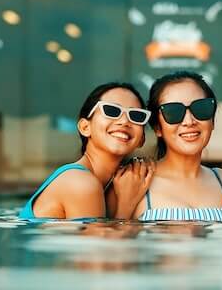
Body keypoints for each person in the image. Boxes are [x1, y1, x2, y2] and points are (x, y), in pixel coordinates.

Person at [19, 82, 154, 220]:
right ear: (85, 127)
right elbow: (104, 242)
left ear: (141, 139)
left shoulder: (115, 184)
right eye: (111, 111)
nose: (124, 121)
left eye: (137, 116)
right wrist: (126, 205)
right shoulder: (81, 182)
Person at [129, 71, 222, 222]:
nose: (189, 121)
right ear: (157, 127)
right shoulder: (136, 179)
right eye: (173, 111)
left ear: (212, 121)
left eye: (201, 108)